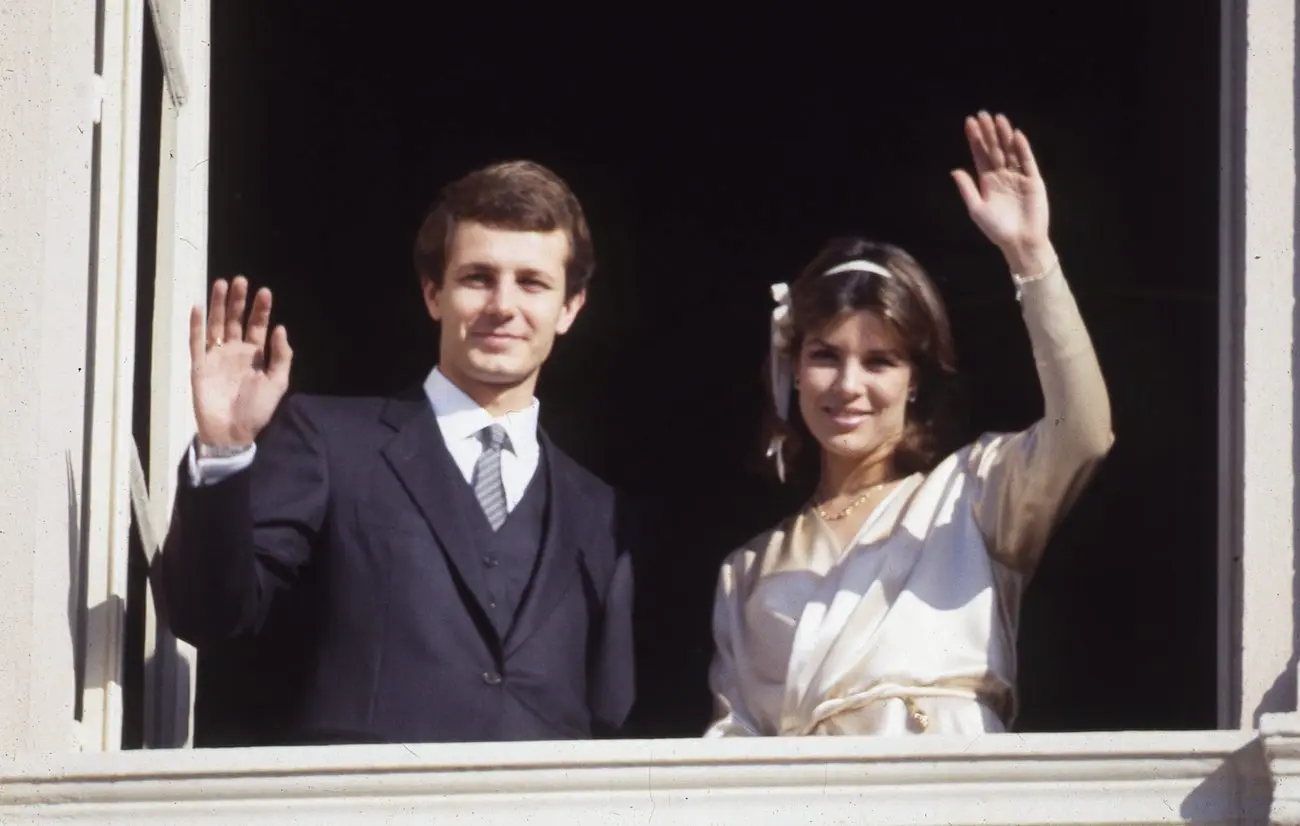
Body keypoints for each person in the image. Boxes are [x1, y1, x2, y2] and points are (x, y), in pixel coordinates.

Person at [156, 160, 635, 744]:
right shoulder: (330, 440)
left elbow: (609, 713)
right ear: (433, 293)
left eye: (532, 283)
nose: (503, 305)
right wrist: (224, 448)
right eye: (477, 278)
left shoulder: (598, 508)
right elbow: (210, 616)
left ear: (570, 308)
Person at [705, 112, 1113, 737]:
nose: (848, 386)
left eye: (880, 362)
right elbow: (732, 748)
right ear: (791, 368)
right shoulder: (749, 568)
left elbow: (1083, 431)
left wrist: (1030, 256)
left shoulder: (972, 495)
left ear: (914, 379)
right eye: (824, 356)